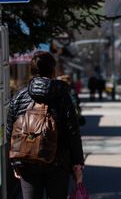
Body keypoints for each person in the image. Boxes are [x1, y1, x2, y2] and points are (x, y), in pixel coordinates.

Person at [6, 51, 84, 199]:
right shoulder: (61, 94)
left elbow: (11, 131)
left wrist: (15, 161)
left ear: (32, 70)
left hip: (27, 160)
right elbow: (72, 131)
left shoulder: (19, 96)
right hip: (58, 163)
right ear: (52, 70)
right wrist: (77, 163)